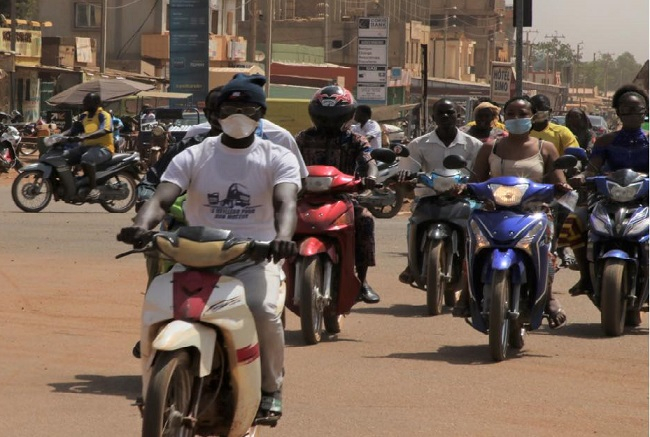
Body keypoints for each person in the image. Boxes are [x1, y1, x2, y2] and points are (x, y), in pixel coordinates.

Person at [118, 73, 301, 424]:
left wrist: (282, 237)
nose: (238, 115)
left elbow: (287, 202)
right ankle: (152, 382)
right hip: (196, 253)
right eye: (231, 108)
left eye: (246, 108)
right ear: (216, 114)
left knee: (262, 310)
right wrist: (141, 227)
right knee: (159, 301)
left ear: (260, 113)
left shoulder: (277, 156)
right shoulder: (194, 155)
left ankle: (270, 388)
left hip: (253, 255)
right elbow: (162, 196)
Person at [453, 96, 573, 330]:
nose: (517, 119)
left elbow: (559, 181)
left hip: (534, 212)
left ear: (533, 117)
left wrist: (564, 186)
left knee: (546, 252)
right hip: (492, 210)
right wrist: (463, 187)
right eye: (511, 114)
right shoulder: (491, 146)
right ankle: (468, 294)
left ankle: (547, 298)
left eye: (522, 114)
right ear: (503, 118)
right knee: (473, 244)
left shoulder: (545, 148)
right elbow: (475, 179)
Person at [566, 85, 649, 323]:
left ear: (646, 112)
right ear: (618, 113)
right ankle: (584, 275)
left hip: (645, 199)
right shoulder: (605, 141)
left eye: (637, 110)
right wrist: (582, 178)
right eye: (626, 109)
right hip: (608, 198)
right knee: (575, 221)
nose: (632, 114)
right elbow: (593, 165)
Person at [295, 85, 381, 304]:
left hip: (343, 198)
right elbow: (285, 160)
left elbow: (369, 161)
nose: (329, 121)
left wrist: (370, 176)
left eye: (335, 116)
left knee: (365, 221)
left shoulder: (355, 140)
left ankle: (361, 281)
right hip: (304, 198)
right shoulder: (302, 139)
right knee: (278, 221)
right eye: (324, 116)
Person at [396, 98, 483, 285]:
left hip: (463, 198)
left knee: (477, 228)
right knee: (413, 223)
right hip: (429, 196)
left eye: (450, 112)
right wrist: (407, 177)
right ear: (433, 116)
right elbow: (409, 169)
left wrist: (470, 185)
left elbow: (481, 172)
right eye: (440, 112)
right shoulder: (419, 144)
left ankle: (474, 265)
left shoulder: (473, 144)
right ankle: (412, 263)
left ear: (457, 116)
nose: (445, 116)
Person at [62, 92, 114, 201]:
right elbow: (73, 130)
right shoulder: (84, 115)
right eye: (84, 102)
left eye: (87, 102)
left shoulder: (103, 115)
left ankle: (93, 188)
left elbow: (105, 130)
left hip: (104, 147)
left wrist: (85, 137)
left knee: (87, 158)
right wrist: (58, 136)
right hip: (86, 147)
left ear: (95, 103)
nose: (84, 104)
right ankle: (72, 184)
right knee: (64, 157)